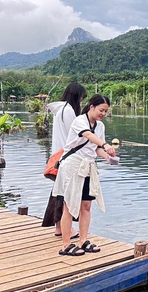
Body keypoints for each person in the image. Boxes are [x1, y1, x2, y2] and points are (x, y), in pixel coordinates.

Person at [53, 94, 116, 256]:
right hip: (73, 165)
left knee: (86, 205)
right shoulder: (79, 121)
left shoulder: (100, 126)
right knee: (69, 205)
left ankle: (83, 240)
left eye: (106, 111)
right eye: (101, 110)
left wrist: (108, 157)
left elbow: (96, 148)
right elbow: (88, 136)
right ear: (91, 107)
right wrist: (105, 144)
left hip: (88, 166)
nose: (103, 113)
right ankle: (66, 244)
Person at [42, 82, 87, 237]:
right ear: (76, 96)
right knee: (66, 194)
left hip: (58, 154)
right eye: (81, 98)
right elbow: (75, 135)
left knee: (59, 192)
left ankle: (59, 227)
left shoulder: (60, 110)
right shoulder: (68, 111)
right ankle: (65, 228)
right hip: (66, 156)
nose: (81, 101)